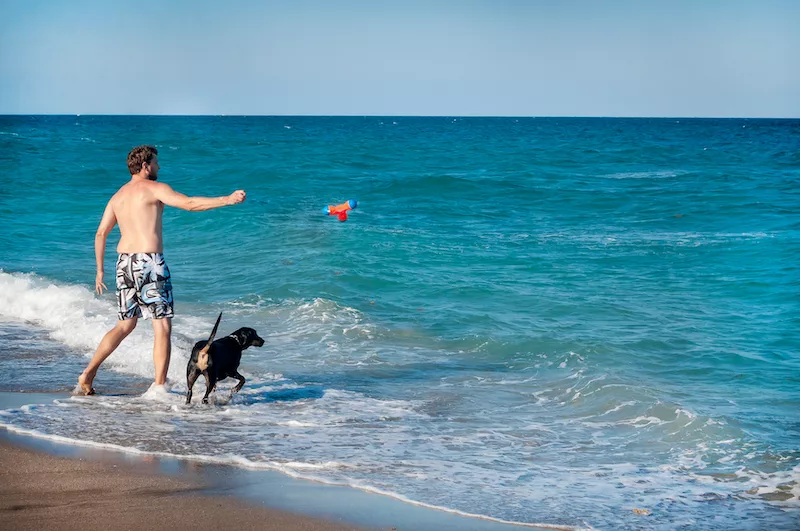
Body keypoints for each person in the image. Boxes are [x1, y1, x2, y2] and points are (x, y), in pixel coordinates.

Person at [77, 145, 246, 395]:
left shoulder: (118, 196)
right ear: (145, 165)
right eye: (156, 162)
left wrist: (99, 270)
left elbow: (101, 233)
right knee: (162, 327)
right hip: (149, 262)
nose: (159, 167)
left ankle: (88, 372)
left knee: (124, 325)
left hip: (124, 263)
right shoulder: (155, 188)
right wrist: (227, 200)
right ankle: (158, 387)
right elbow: (188, 203)